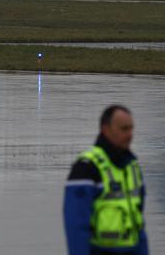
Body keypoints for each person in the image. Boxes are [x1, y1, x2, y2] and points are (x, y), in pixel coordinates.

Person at [63, 104, 147, 255]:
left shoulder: (132, 167)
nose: (130, 134)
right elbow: (76, 227)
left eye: (131, 128)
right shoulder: (86, 167)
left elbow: (139, 225)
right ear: (106, 129)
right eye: (124, 129)